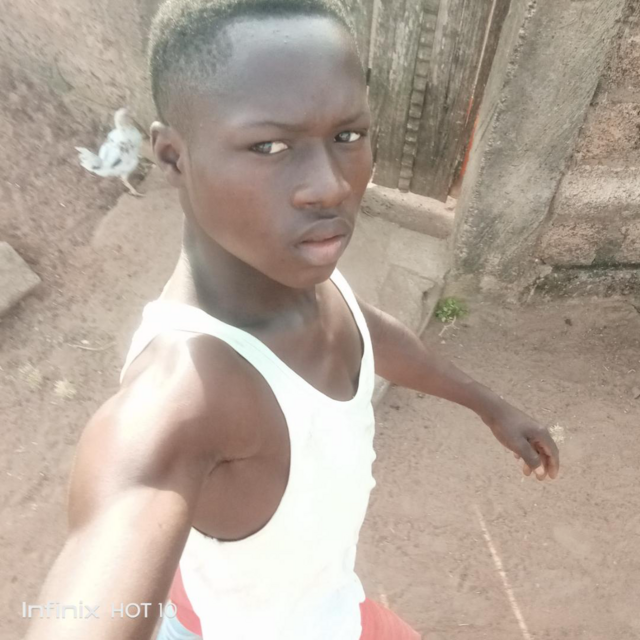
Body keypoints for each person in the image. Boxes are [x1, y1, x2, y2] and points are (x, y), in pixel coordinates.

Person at [25, 1, 560, 638]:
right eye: (269, 146)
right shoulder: (181, 398)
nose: (330, 186)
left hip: (328, 604)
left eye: (348, 136)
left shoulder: (289, 273)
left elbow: (364, 331)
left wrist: (488, 404)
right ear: (172, 158)